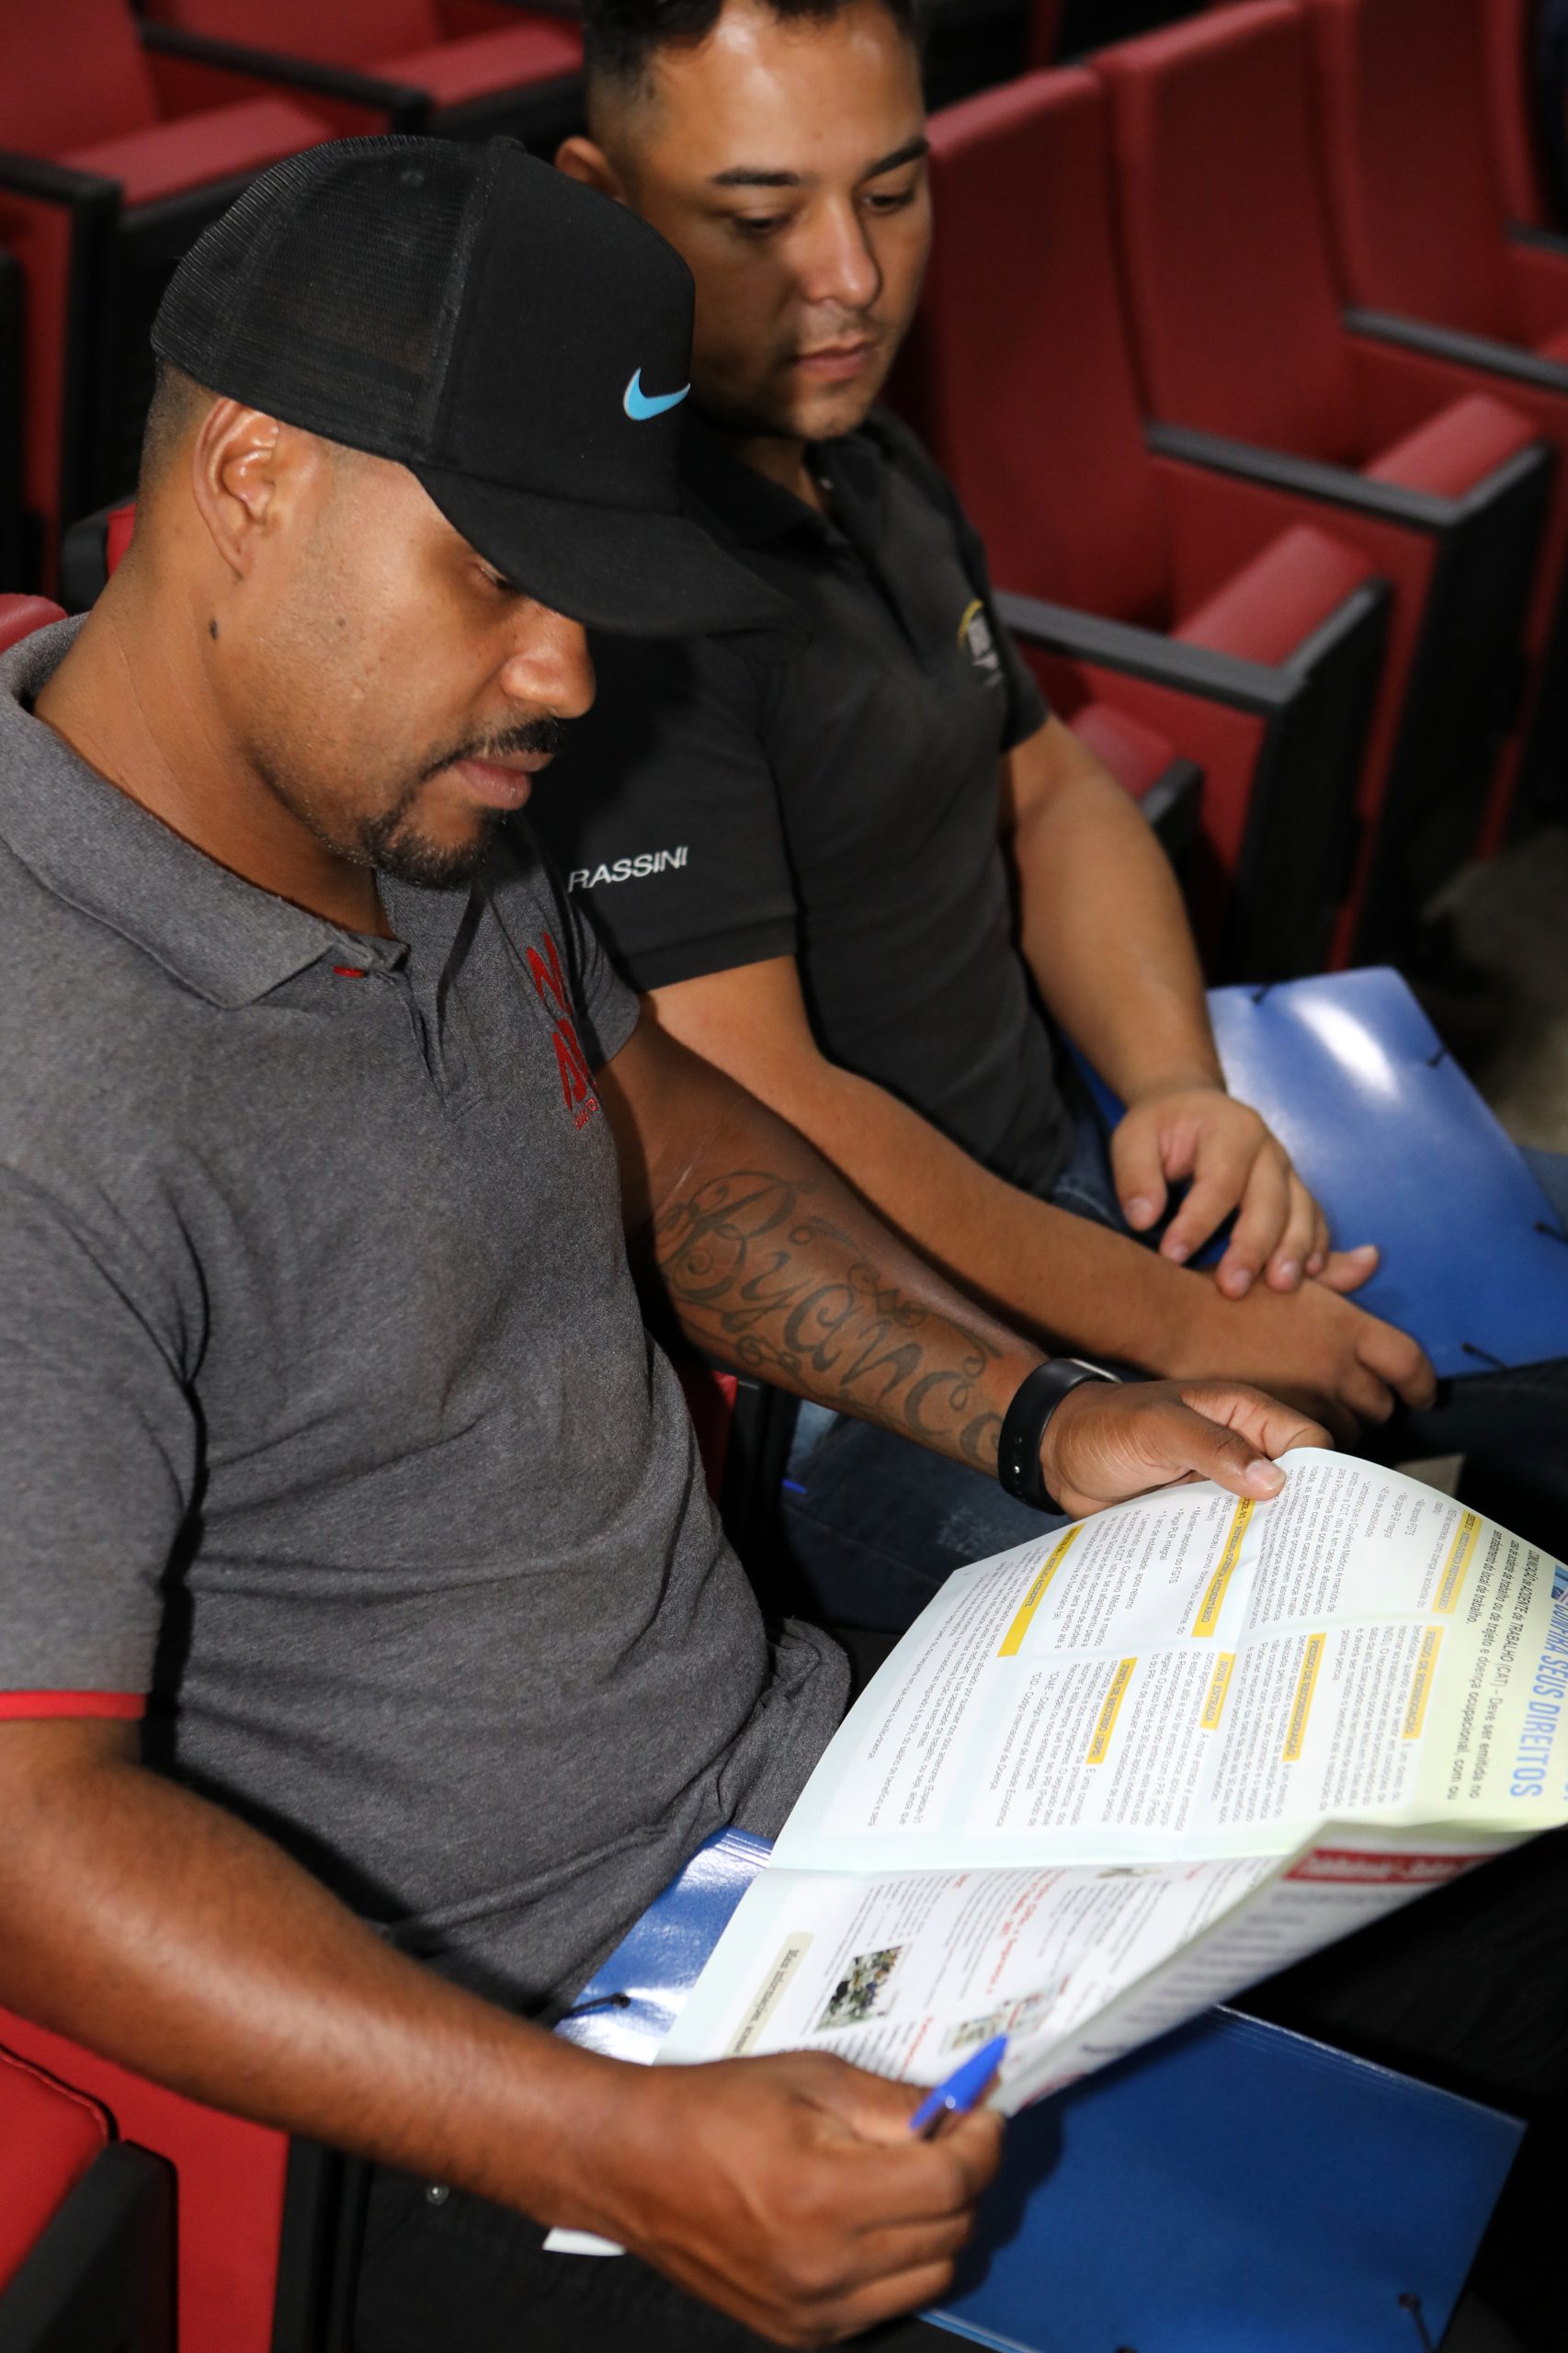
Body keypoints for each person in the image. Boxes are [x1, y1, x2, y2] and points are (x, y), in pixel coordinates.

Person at [0, 137, 1330, 2353]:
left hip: (810, 1820)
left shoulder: (393, 783)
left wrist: (1040, 1408)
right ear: (248, 476)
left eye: (596, 592)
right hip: (480, 2082)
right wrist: (617, 2147)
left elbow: (641, 1116)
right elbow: (27, 1828)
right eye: (504, 575)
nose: (564, 675)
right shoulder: (45, 1085)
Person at [540, 0, 1568, 1628]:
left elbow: (1049, 788)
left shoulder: (862, 458)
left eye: (890, 192)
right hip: (871, 1349)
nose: (851, 278)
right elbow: (749, 1093)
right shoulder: (625, 590)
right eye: (758, 218)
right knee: (1356, 1620)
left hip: (1078, 1183)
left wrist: (1175, 1089)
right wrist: (1170, 1326)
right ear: (600, 200)